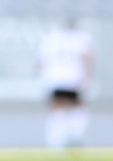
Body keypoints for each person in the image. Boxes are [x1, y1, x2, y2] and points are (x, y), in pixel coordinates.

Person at [36, 19, 95, 151]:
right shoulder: (82, 38)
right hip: (74, 77)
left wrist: (43, 78)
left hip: (55, 78)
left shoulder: (51, 38)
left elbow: (40, 62)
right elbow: (87, 57)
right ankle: (74, 136)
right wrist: (88, 76)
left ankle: (56, 142)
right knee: (78, 106)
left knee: (58, 107)